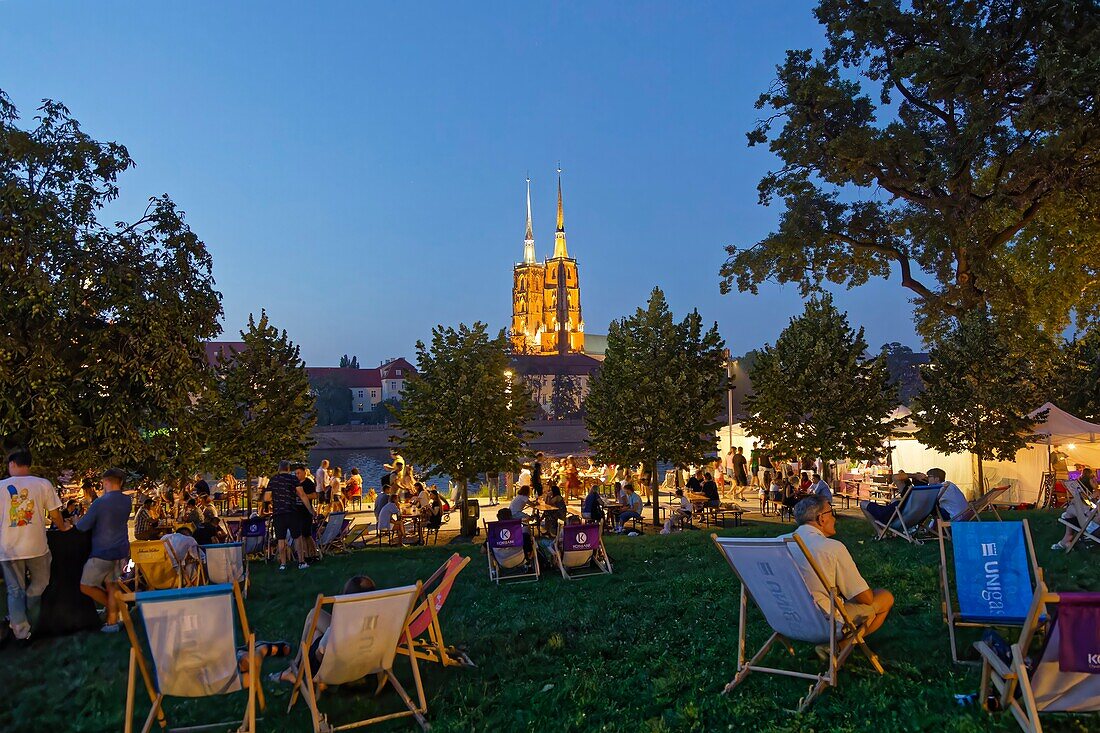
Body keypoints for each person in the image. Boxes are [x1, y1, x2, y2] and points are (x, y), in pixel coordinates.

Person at [787, 495, 894, 639]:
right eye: (831, 513)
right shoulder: (831, 548)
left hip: (786, 619)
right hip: (824, 623)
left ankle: (836, 647)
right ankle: (839, 647)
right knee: (884, 597)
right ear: (821, 518)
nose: (834, 519)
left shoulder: (776, 544)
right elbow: (865, 598)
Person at [0, 449, 69, 640]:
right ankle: (20, 618)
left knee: (14, 590)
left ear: (12, 464)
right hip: (37, 546)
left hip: (8, 549)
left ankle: (20, 627)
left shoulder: (0, 487)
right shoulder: (42, 484)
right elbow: (55, 513)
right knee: (41, 583)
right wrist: (63, 528)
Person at [271, 575, 377, 686]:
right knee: (315, 619)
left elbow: (320, 652)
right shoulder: (382, 620)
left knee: (314, 626)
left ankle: (295, 666)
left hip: (339, 666)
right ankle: (295, 666)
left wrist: (321, 665)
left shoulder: (342, 626)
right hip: (367, 658)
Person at [77, 467, 132, 632]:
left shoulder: (100, 502)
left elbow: (82, 526)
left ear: (106, 482)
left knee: (85, 586)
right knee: (112, 585)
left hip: (102, 551)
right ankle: (112, 623)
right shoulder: (126, 501)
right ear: (121, 482)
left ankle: (114, 608)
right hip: (121, 550)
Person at [264, 461, 309, 571]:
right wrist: (310, 509)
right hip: (292, 511)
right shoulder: (293, 479)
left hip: (278, 513)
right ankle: (301, 562)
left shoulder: (273, 479)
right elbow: (302, 494)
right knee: (297, 537)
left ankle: (283, 564)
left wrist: (276, 498)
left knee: (280, 539)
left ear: (279, 469)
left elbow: (266, 498)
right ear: (288, 469)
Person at [1052, 469, 1100, 551]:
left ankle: (1066, 541)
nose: (1095, 479)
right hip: (1092, 522)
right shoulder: (1096, 493)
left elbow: (1098, 519)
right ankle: (1066, 539)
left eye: (1095, 478)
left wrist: (1089, 512)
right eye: (1093, 478)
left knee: (1075, 501)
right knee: (1071, 508)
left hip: (1094, 527)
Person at [295, 464, 319, 563]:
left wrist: (303, 496)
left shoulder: (308, 483)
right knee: (300, 535)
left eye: (299, 473)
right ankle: (306, 554)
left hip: (306, 511)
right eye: (296, 473)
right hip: (297, 512)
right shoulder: (295, 483)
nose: (297, 475)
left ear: (304, 473)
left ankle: (314, 553)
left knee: (307, 534)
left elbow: (314, 495)